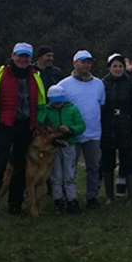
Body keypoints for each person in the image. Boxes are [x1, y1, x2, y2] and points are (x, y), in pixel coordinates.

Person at [0, 42, 48, 219]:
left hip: (26, 126)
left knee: (20, 166)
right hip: (5, 125)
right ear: (12, 55)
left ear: (30, 58)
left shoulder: (35, 75)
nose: (22, 59)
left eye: (26, 56)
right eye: (19, 55)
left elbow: (41, 101)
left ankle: (15, 204)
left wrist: (37, 123)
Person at [56, 50, 106, 209]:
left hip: (93, 134)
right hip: (72, 135)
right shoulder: (63, 85)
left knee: (93, 167)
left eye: (89, 62)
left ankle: (92, 197)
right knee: (69, 168)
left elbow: (101, 104)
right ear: (74, 63)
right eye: (82, 61)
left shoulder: (99, 83)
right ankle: (69, 198)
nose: (86, 65)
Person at [100, 54, 132, 204]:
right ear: (109, 68)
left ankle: (130, 197)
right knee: (107, 163)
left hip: (126, 128)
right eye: (114, 66)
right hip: (107, 128)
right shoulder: (102, 84)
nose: (117, 69)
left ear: (124, 68)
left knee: (128, 162)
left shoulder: (130, 84)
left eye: (120, 66)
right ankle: (109, 197)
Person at [45, 84, 85, 214]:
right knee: (56, 174)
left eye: (59, 102)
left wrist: (71, 130)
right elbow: (42, 127)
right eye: (55, 103)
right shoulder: (46, 111)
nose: (57, 105)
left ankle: (72, 199)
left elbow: (81, 125)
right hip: (54, 146)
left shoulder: (72, 109)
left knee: (69, 173)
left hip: (69, 144)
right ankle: (58, 199)